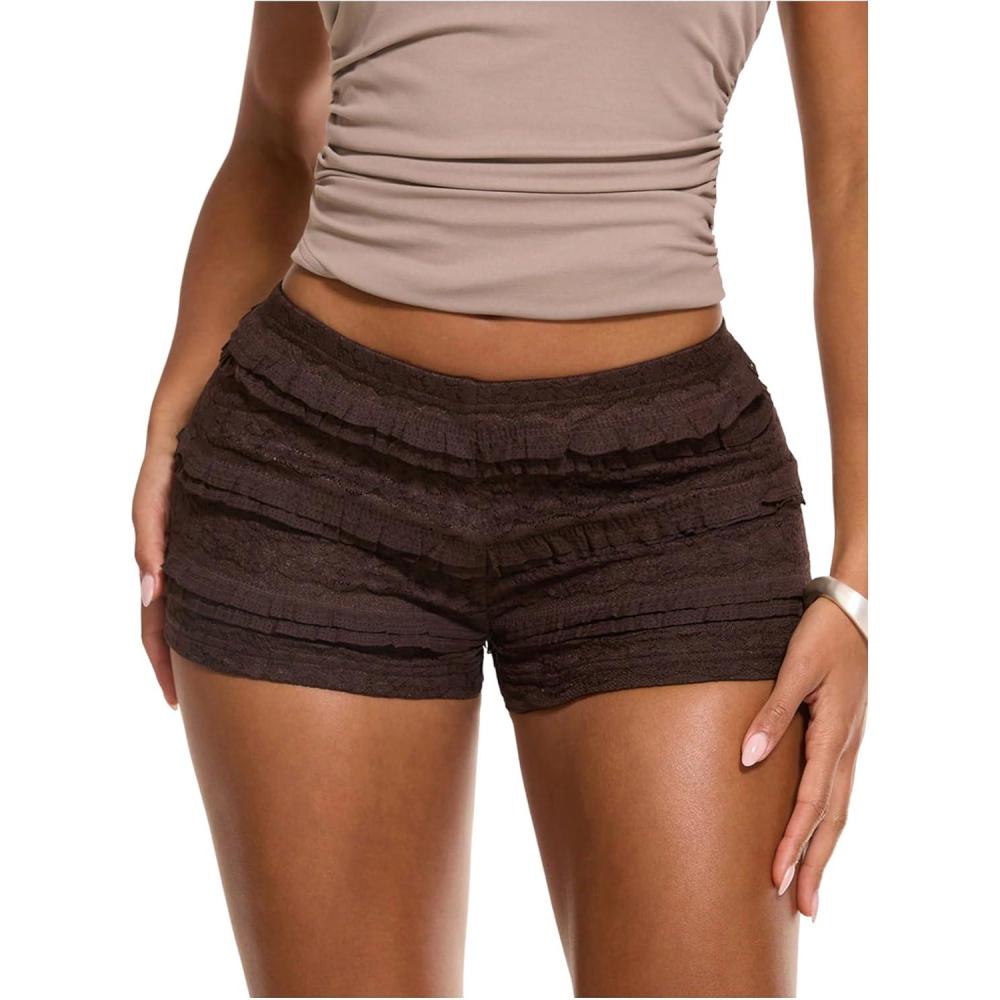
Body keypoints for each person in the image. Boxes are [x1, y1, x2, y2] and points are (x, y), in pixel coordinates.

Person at [132, 2, 867, 996]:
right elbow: (275, 127)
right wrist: (174, 408)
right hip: (313, 474)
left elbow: (856, 174)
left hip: (670, 495)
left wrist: (862, 579)